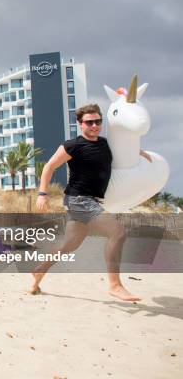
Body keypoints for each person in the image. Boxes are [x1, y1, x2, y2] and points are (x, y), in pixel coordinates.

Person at [31, 103, 151, 302]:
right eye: (89, 122)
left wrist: (138, 151)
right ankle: (115, 285)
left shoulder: (104, 144)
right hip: (79, 199)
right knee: (117, 232)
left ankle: (39, 271)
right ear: (80, 124)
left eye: (98, 121)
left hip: (89, 200)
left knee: (69, 245)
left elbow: (123, 149)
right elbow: (49, 166)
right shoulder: (72, 145)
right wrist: (42, 193)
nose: (94, 125)